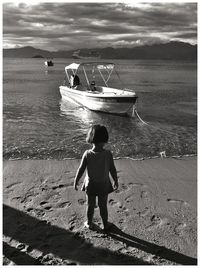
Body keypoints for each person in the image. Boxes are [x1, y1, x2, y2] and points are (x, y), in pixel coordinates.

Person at [74, 124, 118, 231]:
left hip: (91, 185)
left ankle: (89, 223)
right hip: (103, 185)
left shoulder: (87, 154)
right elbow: (112, 169)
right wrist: (115, 180)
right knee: (103, 206)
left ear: (91, 138)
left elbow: (81, 169)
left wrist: (76, 180)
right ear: (105, 139)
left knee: (90, 205)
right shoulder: (108, 154)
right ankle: (105, 225)